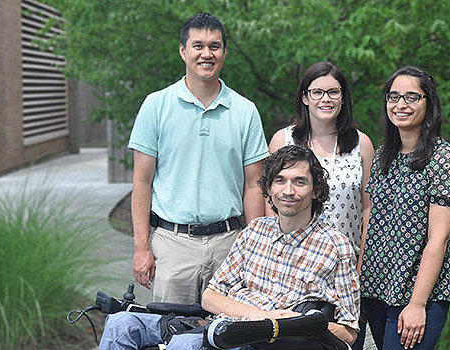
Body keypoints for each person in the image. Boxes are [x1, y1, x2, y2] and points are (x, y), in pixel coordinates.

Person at [99, 145, 360, 350]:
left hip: (263, 342)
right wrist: (260, 315)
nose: (288, 190)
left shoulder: (335, 246)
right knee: (121, 323)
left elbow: (349, 331)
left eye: (299, 182)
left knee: (186, 344)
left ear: (316, 190)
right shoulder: (255, 231)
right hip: (217, 325)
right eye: (280, 181)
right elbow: (210, 297)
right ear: (269, 188)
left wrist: (290, 325)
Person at [128, 13, 268, 304]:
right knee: (170, 335)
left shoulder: (245, 111)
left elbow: (254, 186)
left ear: (225, 53)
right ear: (183, 51)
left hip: (230, 244)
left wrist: (255, 247)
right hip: (171, 245)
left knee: (230, 339)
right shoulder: (156, 105)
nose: (207, 53)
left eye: (215, 46)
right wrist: (142, 248)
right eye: (198, 45)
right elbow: (142, 181)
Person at [359, 66, 450, 350]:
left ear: (428, 103)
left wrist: (417, 304)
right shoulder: (384, 155)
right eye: (393, 97)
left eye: (411, 97)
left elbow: (439, 239)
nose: (400, 105)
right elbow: (372, 224)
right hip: (377, 288)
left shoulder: (445, 159)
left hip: (419, 295)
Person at [267, 62, 374, 349]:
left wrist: (361, 269)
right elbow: (271, 206)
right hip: (292, 267)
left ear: (343, 97)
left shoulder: (361, 144)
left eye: (333, 92)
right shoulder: (284, 139)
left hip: (344, 268)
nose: (325, 99)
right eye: (317, 92)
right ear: (304, 97)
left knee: (342, 339)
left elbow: (368, 211)